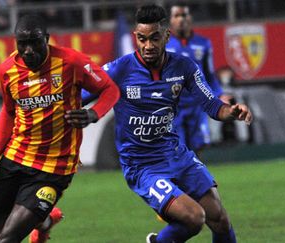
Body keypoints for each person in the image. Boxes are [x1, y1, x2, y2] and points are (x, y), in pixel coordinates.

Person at [0, 14, 119, 243]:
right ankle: (45, 220)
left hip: (54, 166)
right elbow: (9, 113)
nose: (29, 50)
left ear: (47, 39)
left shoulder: (71, 62)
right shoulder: (7, 70)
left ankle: (37, 216)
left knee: (7, 238)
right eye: (22, 44)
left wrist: (93, 114)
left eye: (35, 42)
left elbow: (111, 89)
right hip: (15, 157)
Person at [96, 4, 252, 242]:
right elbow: (82, 93)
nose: (148, 46)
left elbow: (211, 104)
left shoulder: (184, 66)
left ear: (166, 36)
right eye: (142, 39)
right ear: (135, 37)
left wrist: (231, 111)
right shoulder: (120, 69)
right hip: (142, 165)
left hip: (175, 154)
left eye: (155, 38)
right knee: (193, 218)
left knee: (219, 218)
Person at [166, 1, 233, 158]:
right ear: (170, 20)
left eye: (184, 15)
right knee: (177, 149)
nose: (181, 19)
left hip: (197, 104)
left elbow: (210, 75)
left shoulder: (203, 44)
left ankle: (196, 180)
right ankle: (179, 179)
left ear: (190, 18)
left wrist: (220, 94)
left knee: (199, 146)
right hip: (173, 106)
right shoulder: (164, 44)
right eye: (177, 15)